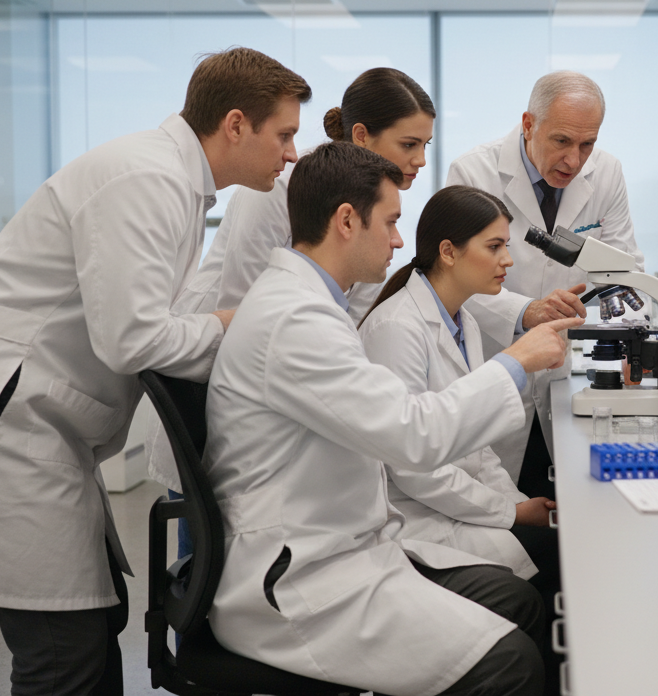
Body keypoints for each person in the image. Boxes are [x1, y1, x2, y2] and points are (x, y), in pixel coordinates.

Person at [0, 47, 310, 696]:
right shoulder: (147, 178)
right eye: (285, 134)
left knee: (95, 630)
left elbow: (152, 320)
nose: (293, 153)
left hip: (42, 426)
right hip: (4, 424)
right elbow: (135, 339)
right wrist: (243, 327)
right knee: (63, 655)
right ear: (236, 124)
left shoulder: (175, 183)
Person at [204, 141, 581, 696]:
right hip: (300, 575)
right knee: (513, 664)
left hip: (348, 545)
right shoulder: (297, 319)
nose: (401, 241)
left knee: (519, 603)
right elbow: (414, 435)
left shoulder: (309, 304)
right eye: (391, 222)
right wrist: (516, 363)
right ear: (347, 220)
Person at [147, 67, 435, 503]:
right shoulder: (277, 188)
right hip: (212, 382)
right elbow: (245, 311)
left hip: (286, 390)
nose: (421, 160)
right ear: (361, 135)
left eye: (425, 145)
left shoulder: (372, 202)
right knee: (210, 542)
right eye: (409, 145)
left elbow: (353, 315)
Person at [447, 70, 644, 500]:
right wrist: (525, 311)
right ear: (528, 124)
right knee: (502, 507)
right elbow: (455, 282)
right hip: (498, 367)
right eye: (561, 141)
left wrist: (630, 335)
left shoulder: (606, 173)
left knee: (569, 505)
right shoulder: (474, 171)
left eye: (587, 144)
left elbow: (625, 275)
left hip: (565, 372)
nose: (575, 161)